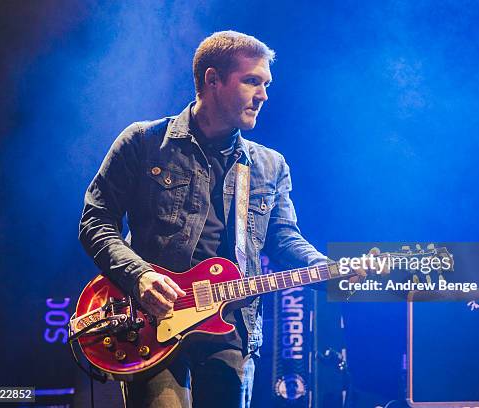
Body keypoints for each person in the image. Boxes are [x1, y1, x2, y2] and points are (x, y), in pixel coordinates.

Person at [78, 31, 330, 407]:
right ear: (212, 80)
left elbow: (282, 237)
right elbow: (96, 220)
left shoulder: (269, 166)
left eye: (265, 84)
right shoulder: (143, 141)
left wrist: (323, 267)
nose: (263, 95)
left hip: (231, 327)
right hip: (153, 321)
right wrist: (140, 276)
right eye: (252, 81)